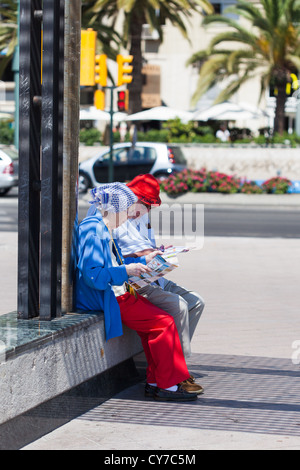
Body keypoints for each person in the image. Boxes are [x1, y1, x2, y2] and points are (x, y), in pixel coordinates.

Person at [74, 182, 201, 401]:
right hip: (108, 296)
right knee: (164, 323)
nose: (130, 215)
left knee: (161, 322)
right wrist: (126, 270)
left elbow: (110, 264)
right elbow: (93, 275)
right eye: (127, 210)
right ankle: (166, 385)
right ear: (116, 209)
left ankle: (156, 381)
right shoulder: (94, 230)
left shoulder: (102, 226)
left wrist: (144, 260)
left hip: (117, 293)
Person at [113, 174, 205, 389]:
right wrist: (158, 254)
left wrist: (163, 252)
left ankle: (177, 365)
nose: (146, 209)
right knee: (178, 305)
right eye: (144, 203)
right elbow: (141, 252)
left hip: (152, 279)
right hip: (135, 283)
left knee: (196, 301)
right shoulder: (119, 218)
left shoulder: (141, 215)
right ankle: (176, 372)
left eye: (150, 205)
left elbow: (149, 248)